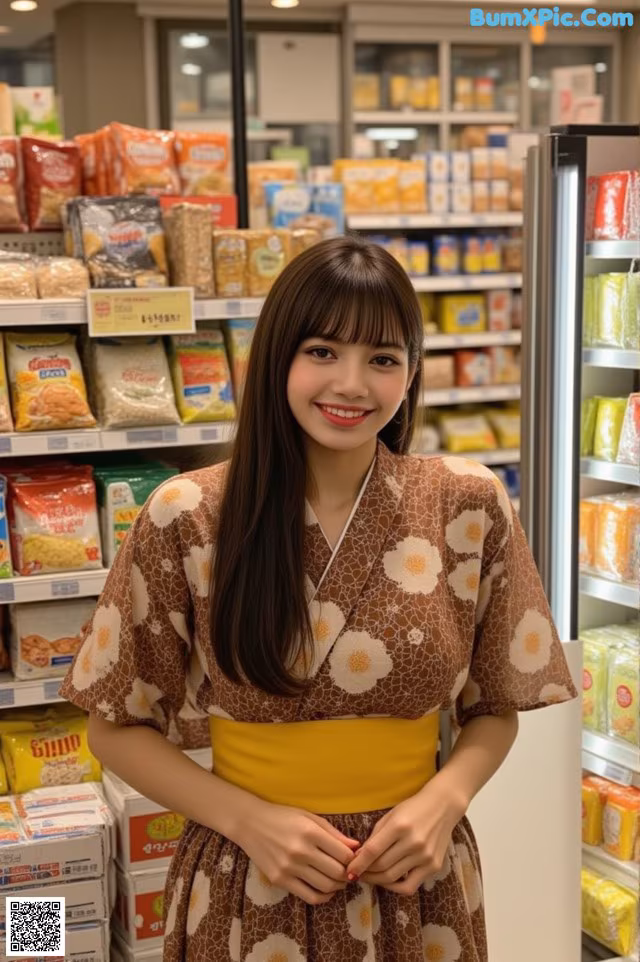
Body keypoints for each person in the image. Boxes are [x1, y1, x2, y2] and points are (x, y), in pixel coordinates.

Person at [60, 236, 578, 962]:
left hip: (417, 887)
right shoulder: (188, 515)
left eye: (383, 359)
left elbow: (493, 706)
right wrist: (248, 821)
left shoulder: (469, 505)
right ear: (276, 358)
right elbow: (113, 725)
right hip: (248, 884)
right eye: (323, 352)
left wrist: (444, 800)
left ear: (410, 373)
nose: (353, 384)